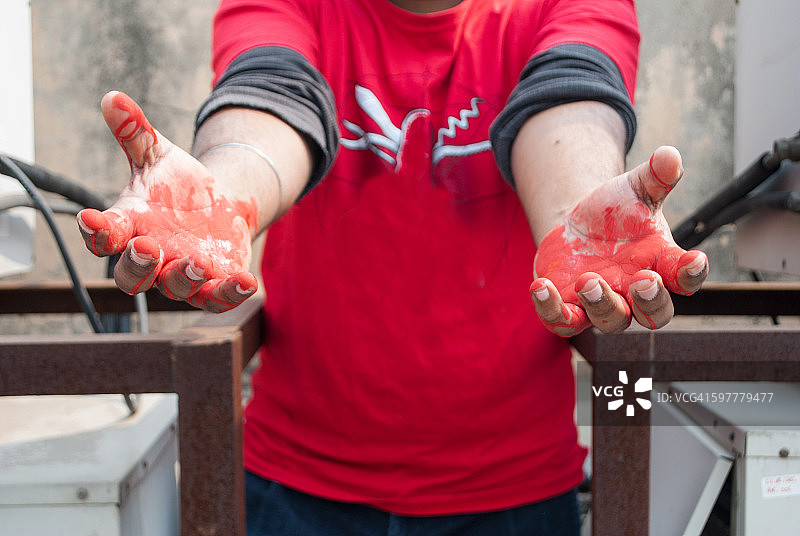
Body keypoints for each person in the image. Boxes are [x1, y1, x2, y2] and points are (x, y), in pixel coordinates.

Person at [77, 0, 709, 534]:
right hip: (296, 484)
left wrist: (578, 212)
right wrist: (224, 199)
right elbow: (271, 98)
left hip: (515, 492)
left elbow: (569, 101)